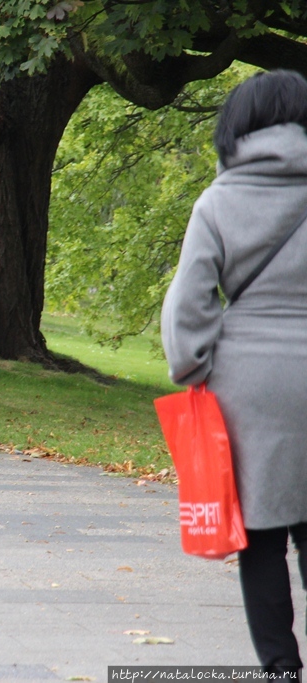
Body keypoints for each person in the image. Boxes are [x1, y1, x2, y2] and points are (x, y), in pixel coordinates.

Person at [161, 70, 307, 679]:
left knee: (265, 537)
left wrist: (194, 364)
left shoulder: (219, 199)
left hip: (249, 389)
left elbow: (188, 305)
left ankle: (279, 668)